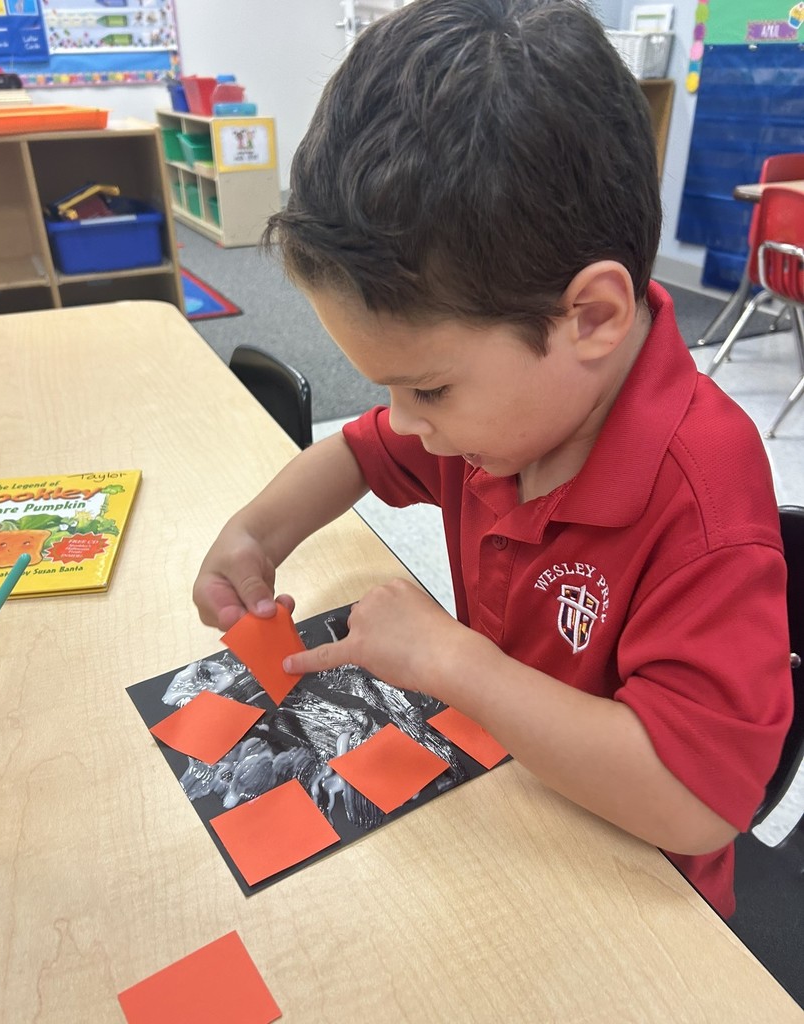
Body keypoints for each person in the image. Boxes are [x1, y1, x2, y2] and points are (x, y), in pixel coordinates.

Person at [193, 0, 792, 917]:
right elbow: (355, 454)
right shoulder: (503, 413)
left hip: (631, 898)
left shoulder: (701, 499)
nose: (405, 422)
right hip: (503, 807)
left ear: (590, 318)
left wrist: (454, 663)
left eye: (426, 390)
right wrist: (252, 533)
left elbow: (701, 804)